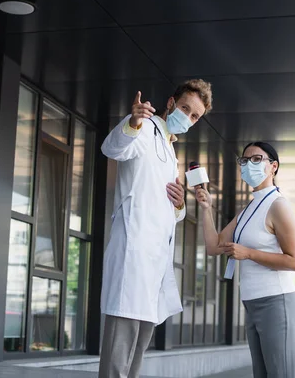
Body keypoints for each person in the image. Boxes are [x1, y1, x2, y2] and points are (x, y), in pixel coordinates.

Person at [99, 80, 212, 378]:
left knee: (138, 349)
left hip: (154, 261)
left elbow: (163, 209)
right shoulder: (146, 129)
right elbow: (112, 148)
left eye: (195, 116)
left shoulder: (170, 149)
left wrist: (179, 207)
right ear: (171, 102)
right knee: (119, 353)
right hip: (133, 255)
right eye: (185, 108)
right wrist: (134, 121)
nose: (188, 117)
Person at [196, 142, 295, 378]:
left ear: (273, 166)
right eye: (244, 161)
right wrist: (206, 209)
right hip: (252, 303)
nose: (248, 165)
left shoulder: (278, 205)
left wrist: (248, 253)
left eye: (256, 159)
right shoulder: (249, 209)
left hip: (277, 302)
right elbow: (215, 246)